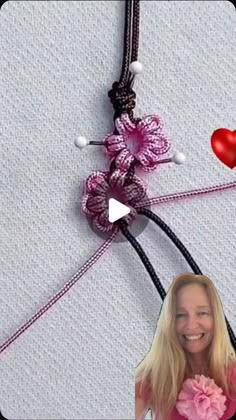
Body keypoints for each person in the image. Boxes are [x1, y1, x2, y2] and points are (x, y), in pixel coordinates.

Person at [135, 272, 236, 420]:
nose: (191, 325)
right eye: (180, 315)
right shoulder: (151, 379)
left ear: (216, 318)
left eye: (202, 313)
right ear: (169, 322)